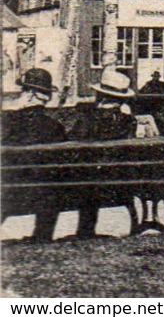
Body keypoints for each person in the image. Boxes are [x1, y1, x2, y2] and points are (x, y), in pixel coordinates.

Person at [57, 68, 141, 238]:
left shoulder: (87, 120)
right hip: (122, 184)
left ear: (100, 95)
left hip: (87, 184)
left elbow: (69, 146)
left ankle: (84, 230)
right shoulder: (128, 121)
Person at [2, 69, 68, 242]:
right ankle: (42, 235)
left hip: (11, 190)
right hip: (47, 194)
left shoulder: (8, 123)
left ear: (28, 94)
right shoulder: (55, 126)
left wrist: (13, 108)